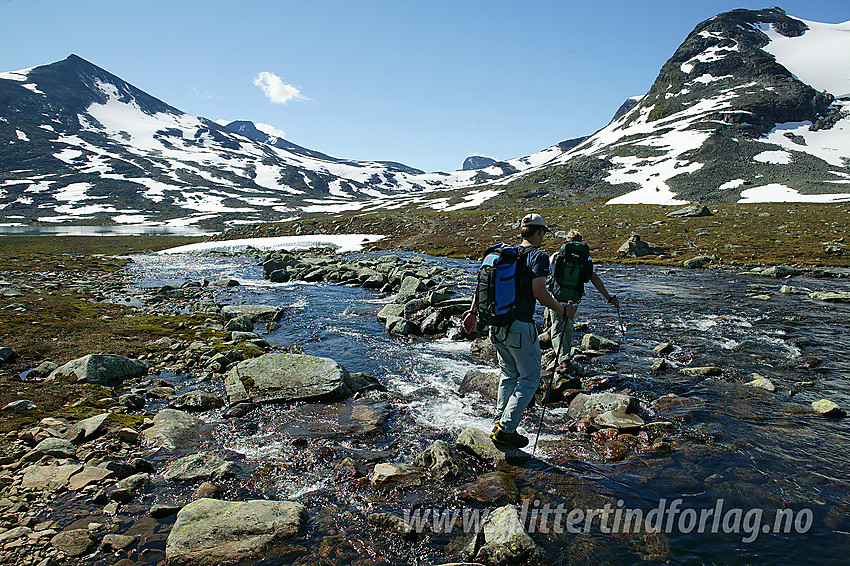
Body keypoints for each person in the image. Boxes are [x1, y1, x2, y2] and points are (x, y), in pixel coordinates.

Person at [462, 213, 576, 449]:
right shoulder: (538, 256)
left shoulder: (505, 255)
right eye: (543, 232)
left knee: (509, 374)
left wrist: (473, 313)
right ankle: (506, 429)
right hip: (521, 327)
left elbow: (483, 286)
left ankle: (499, 422)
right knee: (530, 379)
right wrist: (563, 310)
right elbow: (539, 293)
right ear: (539, 233)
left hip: (497, 326)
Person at [544, 229, 619, 373]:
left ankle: (563, 360)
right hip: (575, 297)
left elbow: (546, 274)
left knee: (557, 328)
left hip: (557, 297)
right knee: (568, 324)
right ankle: (565, 356)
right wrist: (608, 298)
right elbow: (594, 279)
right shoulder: (586, 258)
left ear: (567, 241)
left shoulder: (557, 255)